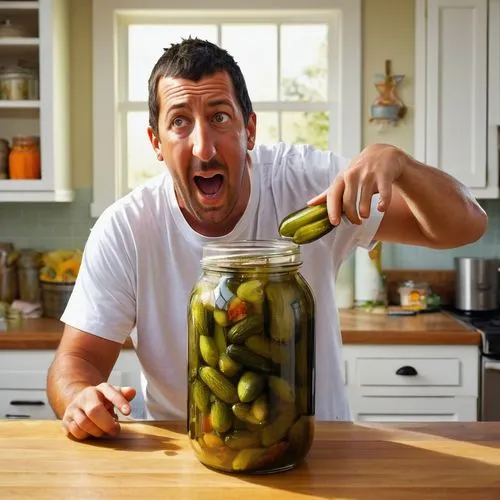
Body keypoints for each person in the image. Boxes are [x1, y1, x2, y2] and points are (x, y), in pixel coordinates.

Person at [47, 38, 487, 440]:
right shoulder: (127, 228)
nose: (204, 147)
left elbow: (466, 226)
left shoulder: (308, 184)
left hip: (317, 444)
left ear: (249, 129)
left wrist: (399, 163)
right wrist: (80, 400)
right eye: (180, 122)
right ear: (156, 142)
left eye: (219, 117)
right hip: (191, 453)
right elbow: (75, 362)